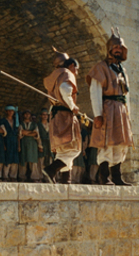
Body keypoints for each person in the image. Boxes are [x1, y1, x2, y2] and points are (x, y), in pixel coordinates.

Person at [87, 28, 134, 186]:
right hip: (107, 109)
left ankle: (117, 177)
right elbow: (95, 91)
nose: (118, 50)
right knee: (106, 143)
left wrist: (128, 114)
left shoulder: (122, 71)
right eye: (115, 47)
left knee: (120, 143)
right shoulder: (101, 68)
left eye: (120, 48)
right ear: (109, 49)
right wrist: (98, 114)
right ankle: (104, 177)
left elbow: (126, 95)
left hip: (120, 110)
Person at [43, 48, 82, 184]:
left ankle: (66, 180)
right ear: (70, 65)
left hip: (56, 115)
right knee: (74, 148)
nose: (76, 72)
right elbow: (65, 90)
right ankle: (51, 170)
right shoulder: (66, 74)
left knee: (63, 150)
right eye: (76, 69)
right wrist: (73, 106)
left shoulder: (54, 76)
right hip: (65, 114)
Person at [18, 110, 43, 183]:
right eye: (25, 114)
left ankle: (34, 177)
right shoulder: (21, 124)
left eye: (28, 114)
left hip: (33, 145)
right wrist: (31, 132)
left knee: (33, 161)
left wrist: (26, 133)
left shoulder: (34, 124)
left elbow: (36, 134)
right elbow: (21, 132)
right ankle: (22, 177)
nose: (27, 115)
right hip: (24, 144)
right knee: (23, 161)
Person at [0, 106, 20, 182]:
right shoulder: (3, 121)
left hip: (14, 141)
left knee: (15, 159)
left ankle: (13, 176)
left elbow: (18, 134)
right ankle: (5, 176)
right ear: (6, 112)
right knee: (7, 158)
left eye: (12, 111)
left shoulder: (16, 121)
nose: (10, 112)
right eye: (9, 111)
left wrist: (18, 145)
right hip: (7, 140)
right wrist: (4, 144)